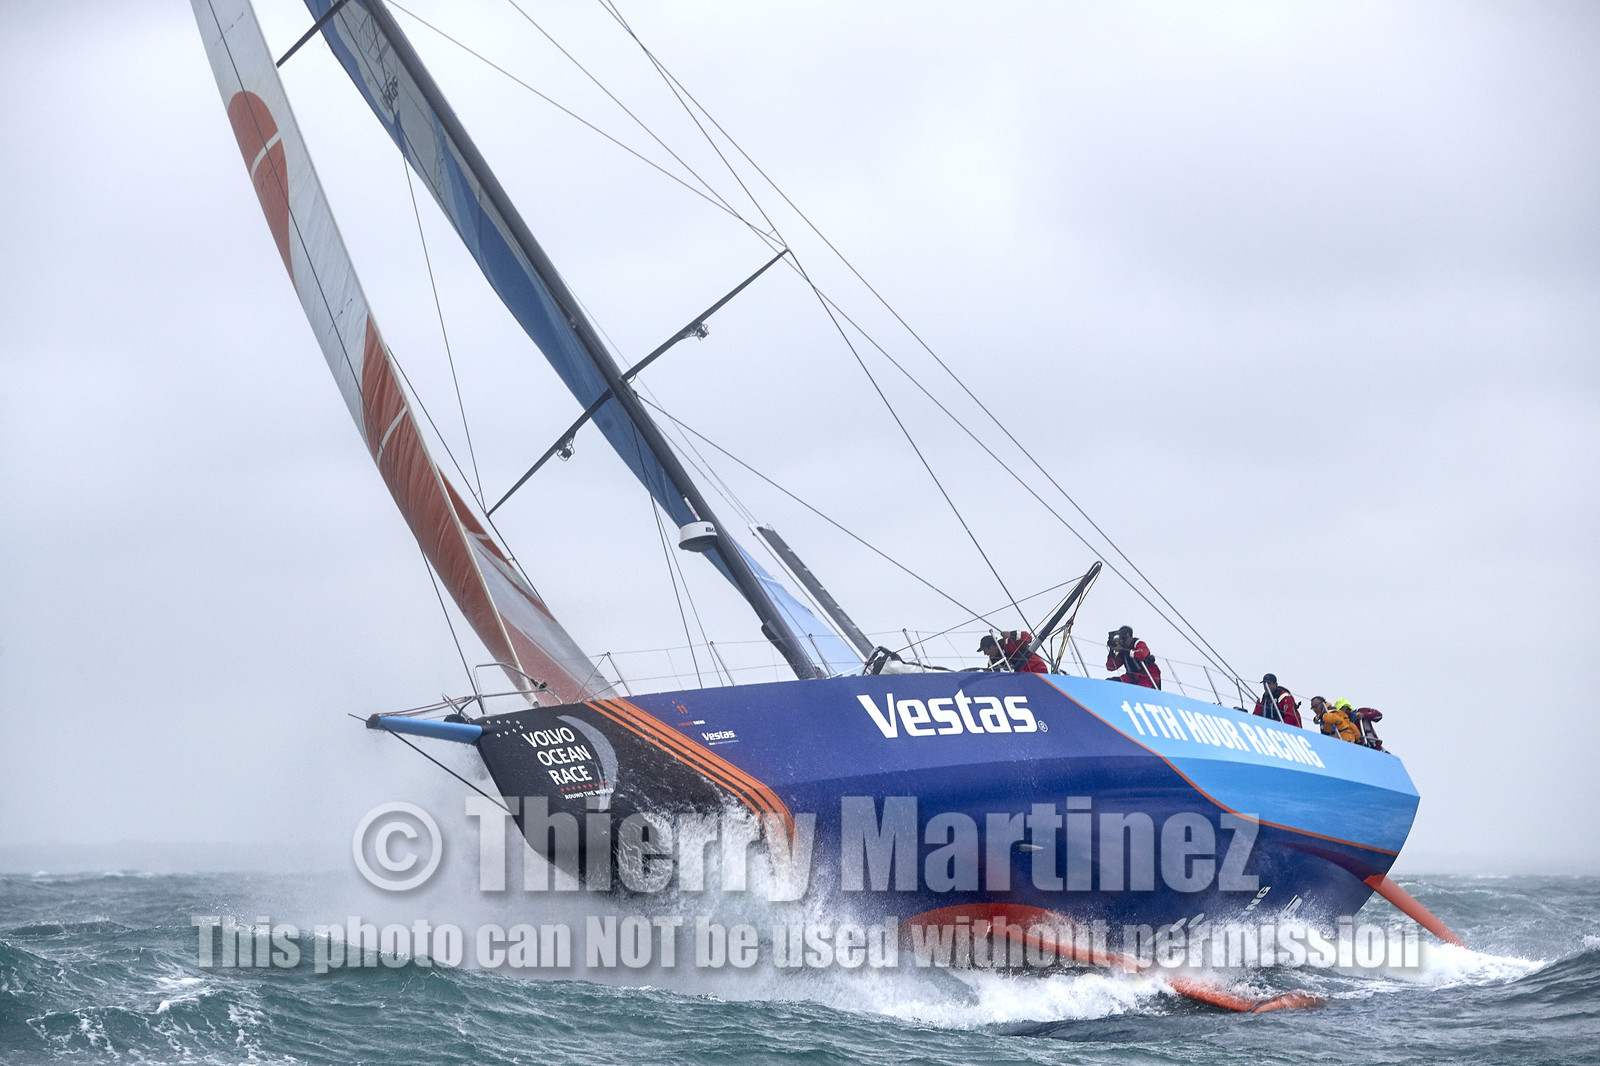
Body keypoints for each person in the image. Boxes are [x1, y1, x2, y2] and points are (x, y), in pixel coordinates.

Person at [979, 631, 1048, 674]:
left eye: (985, 650)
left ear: (992, 647)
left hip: (1038, 670)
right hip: (1022, 680)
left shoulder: (1008, 642)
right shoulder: (992, 663)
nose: (984, 653)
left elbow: (1028, 637)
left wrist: (1011, 634)